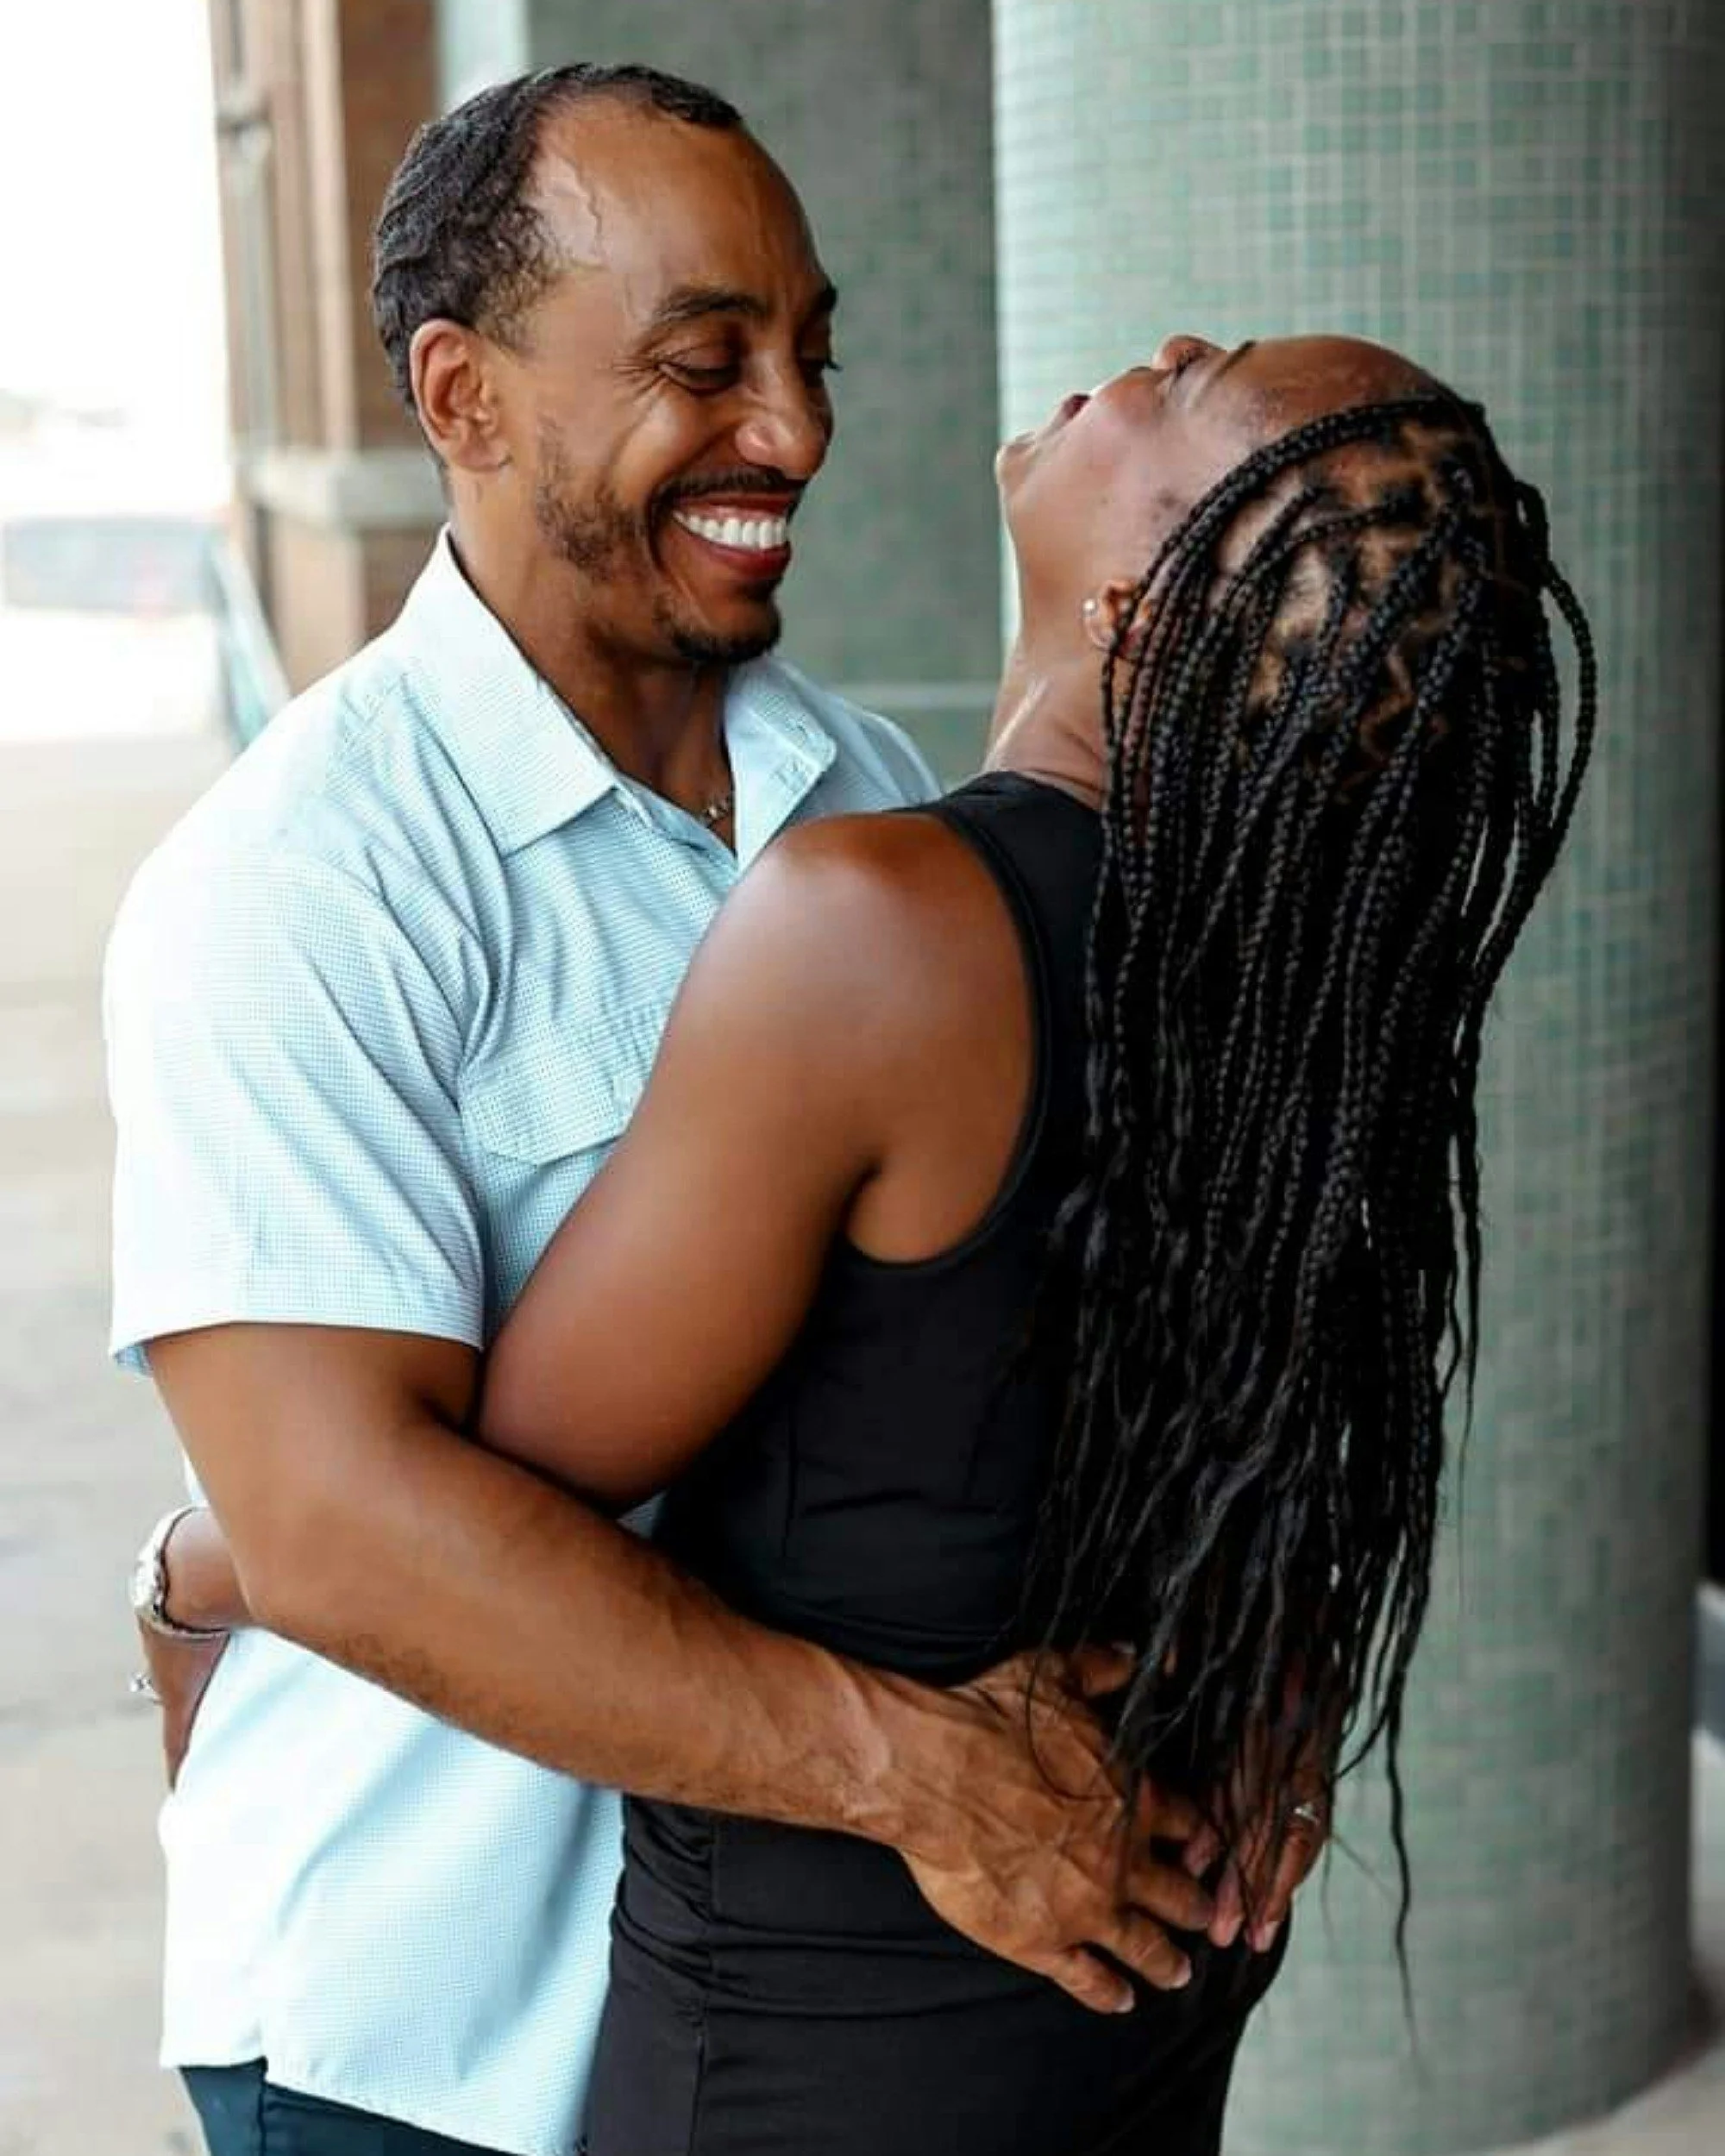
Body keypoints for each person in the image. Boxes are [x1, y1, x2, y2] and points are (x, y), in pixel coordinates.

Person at [109, 63, 1213, 2156]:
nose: (791, 432)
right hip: (427, 2038)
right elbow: (339, 1525)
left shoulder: (881, 807)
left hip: (790, 2020)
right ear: (464, 396)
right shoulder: (295, 886)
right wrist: (919, 1767)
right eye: (706, 363)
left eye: (809, 355)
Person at [448, 330, 1594, 2153]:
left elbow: (496, 1489)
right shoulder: (1310, 976)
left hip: (834, 2036)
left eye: (1195, 383)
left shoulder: (877, 929)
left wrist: (222, 1552)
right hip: (1129, 1977)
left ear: (1141, 608)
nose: (1148, 355)